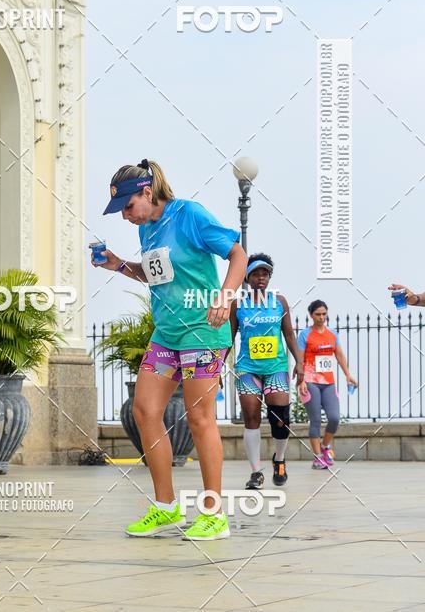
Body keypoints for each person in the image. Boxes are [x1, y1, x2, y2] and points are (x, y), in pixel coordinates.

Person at [91, 159, 246, 540]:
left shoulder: (188, 214)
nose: (126, 216)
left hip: (203, 332)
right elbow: (154, 274)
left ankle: (214, 514)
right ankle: (165, 507)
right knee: (144, 410)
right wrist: (117, 265)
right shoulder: (147, 229)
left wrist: (225, 297)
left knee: (199, 419)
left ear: (147, 192)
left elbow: (238, 254)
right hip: (167, 334)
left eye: (128, 207)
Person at [229, 253, 304, 490]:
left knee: (280, 419)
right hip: (247, 368)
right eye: (256, 274)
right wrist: (217, 367)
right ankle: (256, 472)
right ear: (247, 277)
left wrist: (300, 363)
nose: (261, 278)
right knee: (251, 417)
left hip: (276, 367)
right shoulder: (238, 304)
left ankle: (279, 459)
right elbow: (228, 338)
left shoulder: (279, 301)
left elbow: (289, 334)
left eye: (265, 274)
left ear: (270, 277)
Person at [297, 300, 358, 469]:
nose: (321, 317)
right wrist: (301, 380)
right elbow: (299, 359)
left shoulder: (332, 334)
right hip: (310, 381)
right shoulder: (304, 335)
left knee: (334, 418)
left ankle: (325, 447)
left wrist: (348, 375)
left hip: (328, 382)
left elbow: (339, 356)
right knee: (315, 419)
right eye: (318, 314)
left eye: (324, 314)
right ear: (311, 315)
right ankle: (318, 458)